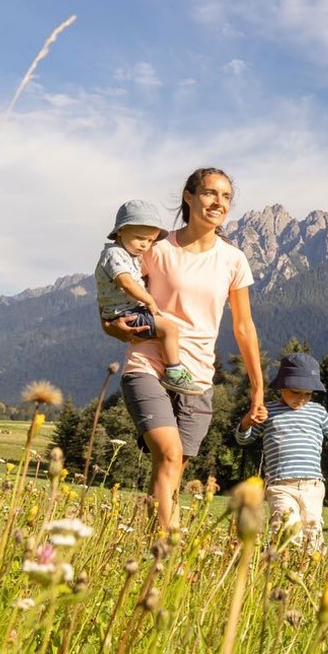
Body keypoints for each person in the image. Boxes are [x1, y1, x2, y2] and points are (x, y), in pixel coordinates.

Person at [103, 167, 264, 530]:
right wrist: (111, 327)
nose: (217, 202)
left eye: (225, 196)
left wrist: (258, 389)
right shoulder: (157, 250)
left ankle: (149, 547)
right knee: (170, 454)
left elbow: (244, 326)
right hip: (148, 364)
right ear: (189, 197)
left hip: (198, 378)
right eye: (209, 193)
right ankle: (168, 549)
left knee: (171, 469)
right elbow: (113, 294)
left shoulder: (233, 260)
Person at [236, 353, 328, 548]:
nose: (301, 399)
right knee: (285, 531)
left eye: (307, 394)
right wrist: (246, 422)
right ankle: (276, 569)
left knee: (312, 534)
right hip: (281, 486)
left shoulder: (317, 412)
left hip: (312, 486)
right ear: (282, 386)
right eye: (295, 392)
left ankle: (309, 569)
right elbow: (244, 439)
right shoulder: (268, 411)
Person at [95, 199, 203, 396]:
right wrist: (149, 300)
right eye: (140, 238)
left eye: (150, 241)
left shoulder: (128, 255)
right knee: (169, 328)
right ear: (120, 231)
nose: (145, 245)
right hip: (127, 312)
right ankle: (174, 371)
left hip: (123, 311)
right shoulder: (115, 254)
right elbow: (126, 282)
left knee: (165, 326)